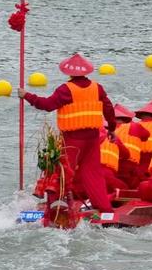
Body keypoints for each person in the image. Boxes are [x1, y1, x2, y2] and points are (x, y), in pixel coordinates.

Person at [21, 53, 117, 214]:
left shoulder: (66, 89)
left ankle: (58, 210)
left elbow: (47, 105)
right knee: (93, 174)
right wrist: (112, 128)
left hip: (72, 139)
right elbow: (108, 108)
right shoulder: (97, 87)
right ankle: (105, 210)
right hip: (93, 137)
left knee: (63, 174)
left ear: (69, 72)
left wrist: (27, 96)